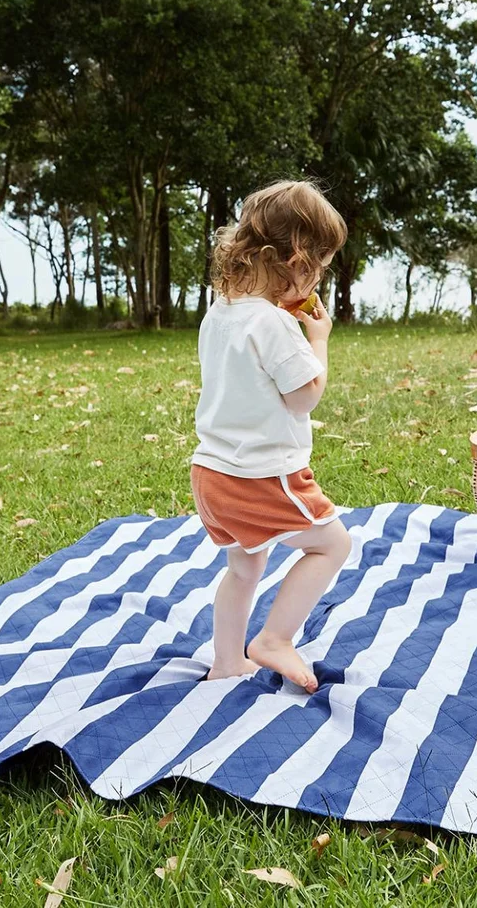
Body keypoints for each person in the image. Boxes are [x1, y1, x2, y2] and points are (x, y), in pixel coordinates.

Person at [190, 179, 351, 691]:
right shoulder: (277, 326)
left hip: (212, 474)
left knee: (245, 567)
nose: (319, 276)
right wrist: (318, 340)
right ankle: (274, 639)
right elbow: (304, 395)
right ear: (297, 258)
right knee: (332, 545)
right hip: (261, 478)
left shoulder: (220, 313)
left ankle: (227, 660)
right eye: (320, 265)